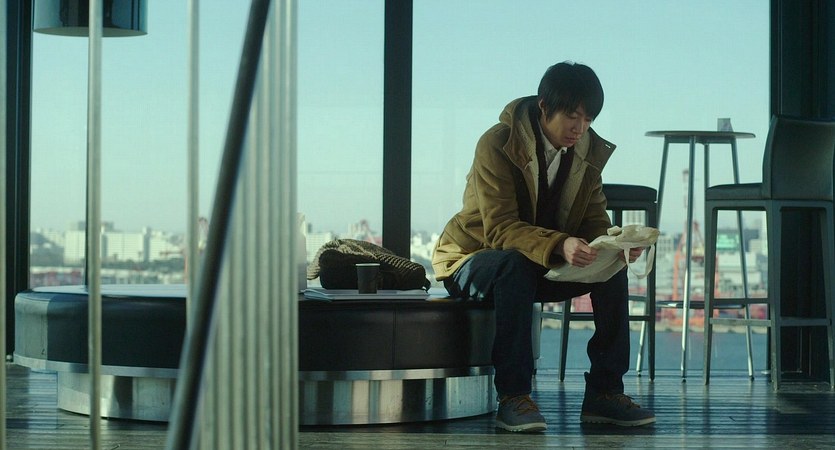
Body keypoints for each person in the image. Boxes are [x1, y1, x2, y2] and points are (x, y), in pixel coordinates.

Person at [431, 61, 656, 432]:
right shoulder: (498, 143)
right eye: (571, 116)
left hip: (542, 261)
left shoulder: (586, 151)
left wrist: (615, 245)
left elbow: (594, 220)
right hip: (473, 259)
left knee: (612, 269)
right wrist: (561, 243)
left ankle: (605, 392)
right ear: (544, 107)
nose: (579, 128)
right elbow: (499, 230)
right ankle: (514, 396)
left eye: (588, 119)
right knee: (514, 265)